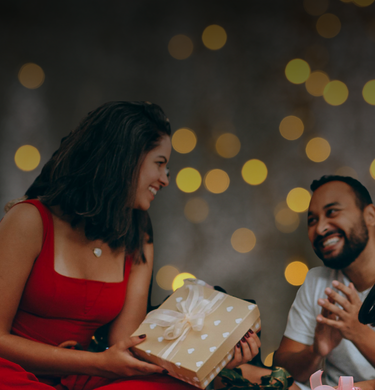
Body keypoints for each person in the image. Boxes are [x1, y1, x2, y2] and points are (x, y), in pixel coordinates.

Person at [0, 101, 261, 390]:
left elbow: (129, 343)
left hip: (88, 374)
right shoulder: (29, 219)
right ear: (124, 158)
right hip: (14, 370)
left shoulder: (138, 231)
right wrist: (93, 363)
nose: (165, 179)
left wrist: (215, 352)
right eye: (159, 164)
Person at [273, 175, 375, 389]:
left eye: (332, 212)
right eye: (312, 220)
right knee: (247, 374)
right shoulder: (316, 281)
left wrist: (360, 333)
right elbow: (281, 374)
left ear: (370, 215)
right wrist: (315, 351)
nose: (320, 229)